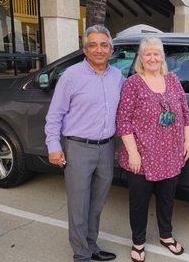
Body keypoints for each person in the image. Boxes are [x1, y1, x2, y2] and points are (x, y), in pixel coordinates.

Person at [45, 25, 124, 262]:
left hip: (107, 147)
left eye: (103, 45)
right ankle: (81, 255)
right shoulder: (71, 76)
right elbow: (54, 114)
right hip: (78, 147)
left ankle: (91, 246)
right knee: (79, 205)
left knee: (97, 204)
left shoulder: (118, 77)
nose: (98, 49)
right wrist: (53, 146)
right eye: (93, 45)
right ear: (85, 49)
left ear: (111, 49)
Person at [116, 37, 189, 262]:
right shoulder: (133, 83)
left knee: (167, 199)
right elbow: (124, 121)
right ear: (141, 58)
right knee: (139, 202)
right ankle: (138, 242)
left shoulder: (173, 79)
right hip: (141, 155)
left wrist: (188, 142)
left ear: (162, 57)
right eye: (147, 54)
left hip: (171, 153)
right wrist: (133, 153)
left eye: (156, 53)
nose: (152, 57)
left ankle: (166, 235)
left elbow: (185, 113)